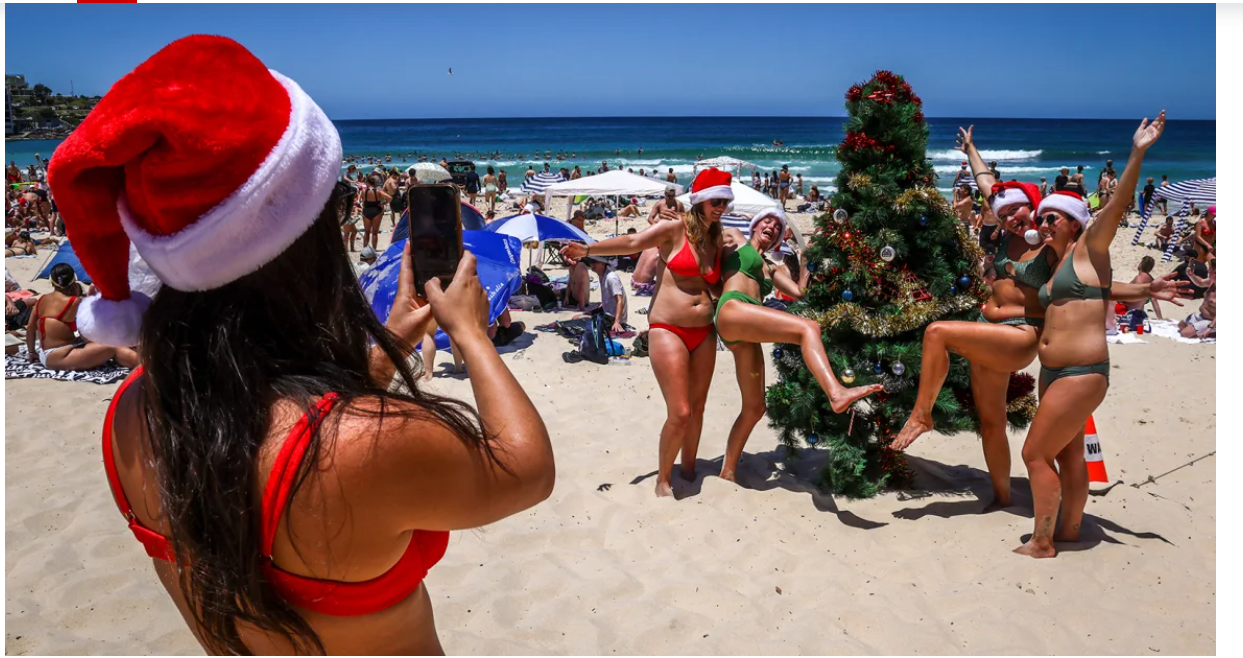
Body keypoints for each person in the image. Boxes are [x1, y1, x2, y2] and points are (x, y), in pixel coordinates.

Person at [48, 35, 554, 654]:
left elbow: (284, 436)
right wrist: (473, 334)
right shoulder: (367, 443)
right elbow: (526, 472)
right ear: (306, 246)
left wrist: (393, 338)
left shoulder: (137, 410)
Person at [1014, 111, 1165, 558]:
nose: (1044, 225)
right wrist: (1140, 288)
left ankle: (1042, 541)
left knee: (1034, 456)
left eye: (1054, 219)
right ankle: (1071, 529)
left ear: (1077, 222)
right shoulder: (1060, 262)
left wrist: (1137, 151)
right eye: (1042, 219)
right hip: (1056, 373)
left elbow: (1116, 204)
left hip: (1081, 373)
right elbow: (1096, 291)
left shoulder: (1089, 245)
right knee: (1069, 455)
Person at [562, 168, 729, 497]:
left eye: (725, 200)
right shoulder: (674, 227)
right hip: (669, 329)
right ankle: (663, 478)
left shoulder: (718, 237)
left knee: (698, 407)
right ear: (699, 200)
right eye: (715, 200)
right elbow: (633, 242)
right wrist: (587, 249)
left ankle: (691, 468)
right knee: (680, 412)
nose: (720, 206)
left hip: (705, 332)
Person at [714, 209, 882, 481]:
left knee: (755, 407)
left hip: (748, 329)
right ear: (755, 225)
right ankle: (836, 392)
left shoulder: (771, 267)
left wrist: (804, 260)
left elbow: (799, 293)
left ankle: (727, 472)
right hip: (733, 308)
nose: (772, 226)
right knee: (808, 328)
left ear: (778, 239)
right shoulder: (735, 238)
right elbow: (705, 249)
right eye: (767, 221)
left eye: (777, 227)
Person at [587, 255, 628, 335]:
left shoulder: (611, 278)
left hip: (613, 317)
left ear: (603, 263)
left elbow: (620, 300)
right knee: (583, 315)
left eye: (594, 262)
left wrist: (617, 322)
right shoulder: (602, 275)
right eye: (591, 261)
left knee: (582, 320)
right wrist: (604, 304)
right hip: (607, 312)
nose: (591, 264)